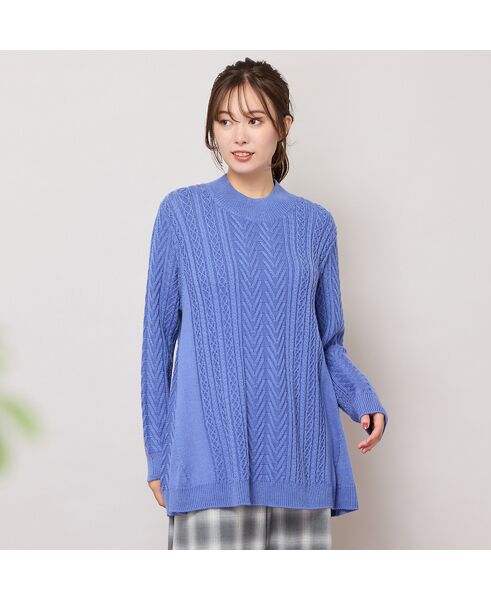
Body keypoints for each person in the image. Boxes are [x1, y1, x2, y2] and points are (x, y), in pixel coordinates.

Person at [140, 57, 388, 550]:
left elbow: (327, 342)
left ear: (283, 127)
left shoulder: (314, 225)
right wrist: (159, 454)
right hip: (210, 462)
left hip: (298, 457)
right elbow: (156, 342)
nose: (238, 135)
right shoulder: (181, 214)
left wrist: (363, 399)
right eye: (224, 121)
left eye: (254, 120)